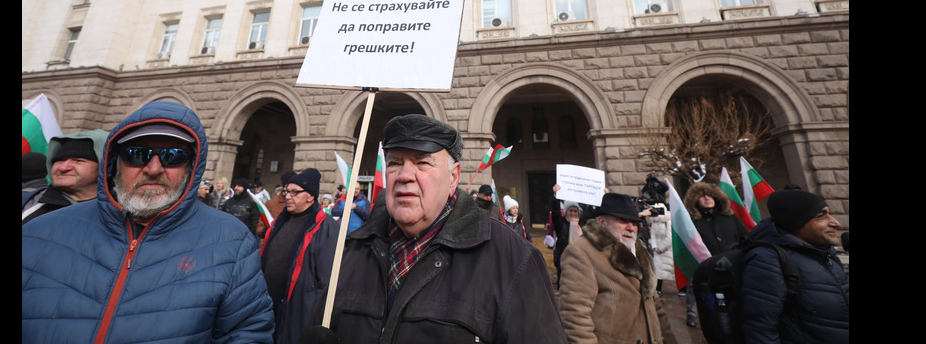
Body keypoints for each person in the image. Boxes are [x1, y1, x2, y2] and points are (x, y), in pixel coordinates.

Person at [22, 100, 275, 343]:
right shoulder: (38, 233)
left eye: (173, 156)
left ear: (192, 166)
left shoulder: (231, 240)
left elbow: (247, 334)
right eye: (136, 154)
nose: (153, 168)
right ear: (115, 162)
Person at [315, 114, 565, 343]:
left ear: (453, 177)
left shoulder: (513, 258)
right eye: (394, 162)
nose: (404, 175)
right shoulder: (351, 251)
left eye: (422, 163)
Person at [559, 193, 678, 344]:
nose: (631, 227)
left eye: (634, 222)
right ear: (602, 222)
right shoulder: (581, 253)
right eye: (623, 220)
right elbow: (574, 318)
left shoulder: (639, 249)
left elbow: (654, 305)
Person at [741, 190, 849, 343]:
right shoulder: (768, 259)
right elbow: (761, 329)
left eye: (829, 214)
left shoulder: (826, 254)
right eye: (821, 216)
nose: (835, 223)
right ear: (796, 225)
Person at [260, 168, 339, 344]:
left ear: (310, 196)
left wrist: (313, 313)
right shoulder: (280, 221)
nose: (288, 196)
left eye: (295, 192)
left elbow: (326, 282)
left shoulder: (325, 227)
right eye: (287, 191)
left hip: (298, 311)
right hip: (266, 308)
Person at [682, 181, 749, 326]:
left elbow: (746, 238)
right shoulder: (692, 224)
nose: (707, 198)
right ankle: (692, 314)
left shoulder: (730, 218)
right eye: (702, 196)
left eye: (710, 195)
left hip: (735, 272)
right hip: (708, 276)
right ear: (695, 201)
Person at [21, 130, 109, 224]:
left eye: (79, 161)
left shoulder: (119, 211)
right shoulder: (28, 205)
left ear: (103, 166)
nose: (63, 168)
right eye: (59, 160)